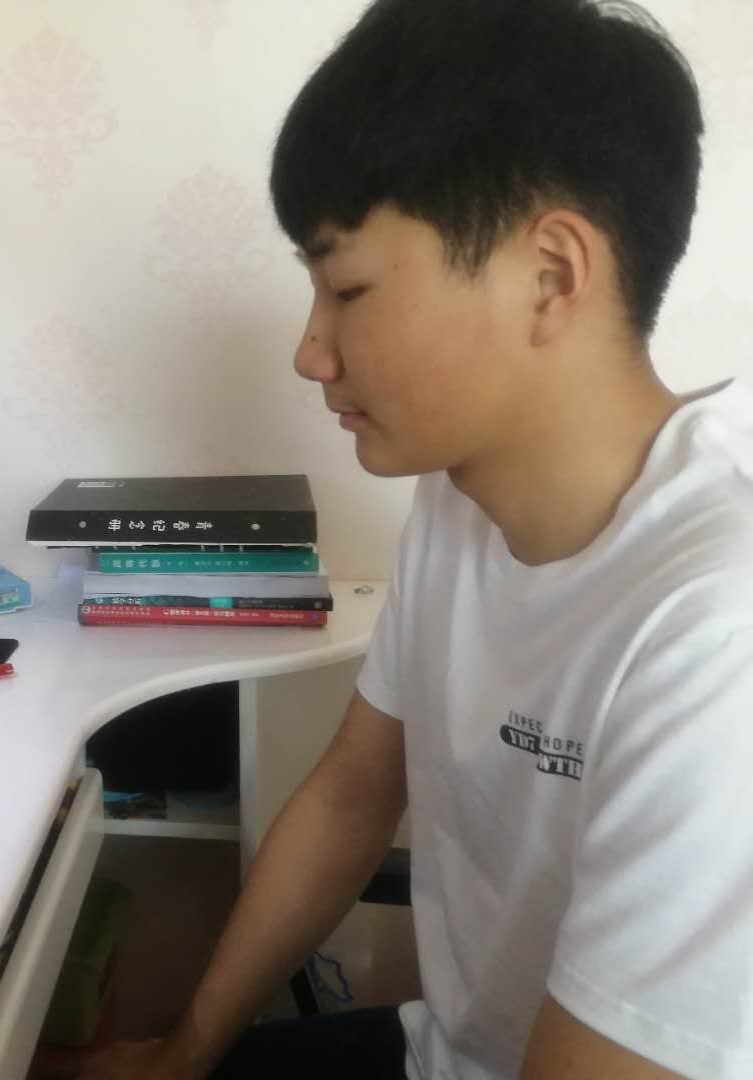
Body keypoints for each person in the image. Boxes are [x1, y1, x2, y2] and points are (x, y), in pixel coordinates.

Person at [82, 0, 753, 1077]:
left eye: (347, 288)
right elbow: (354, 792)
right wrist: (189, 1050)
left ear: (551, 276)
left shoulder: (716, 624)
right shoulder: (458, 498)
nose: (311, 353)